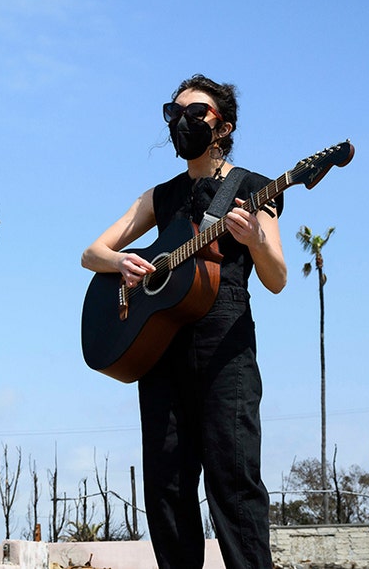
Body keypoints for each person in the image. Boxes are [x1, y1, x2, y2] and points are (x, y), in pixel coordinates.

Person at [81, 75, 287, 569]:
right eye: (174, 114)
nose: (183, 122)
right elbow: (92, 252)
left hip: (225, 351)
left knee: (233, 482)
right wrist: (121, 263)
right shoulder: (161, 195)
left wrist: (256, 241)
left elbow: (277, 277)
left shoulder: (253, 189)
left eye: (197, 114)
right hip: (160, 348)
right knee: (167, 485)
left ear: (224, 127)